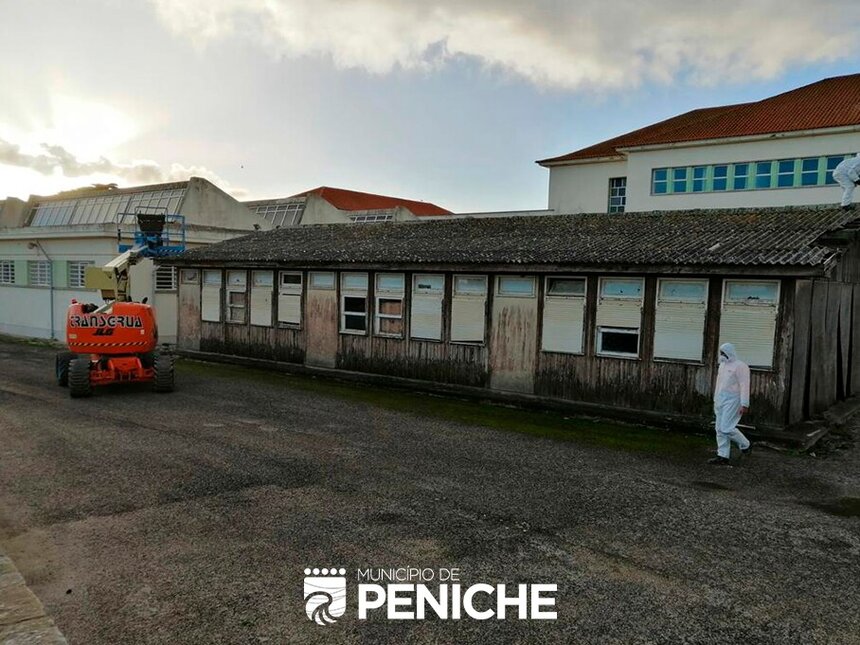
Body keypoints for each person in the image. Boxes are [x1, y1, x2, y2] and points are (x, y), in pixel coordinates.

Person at [708, 343, 752, 466]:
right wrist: (716, 400)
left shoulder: (741, 366)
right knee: (719, 429)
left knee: (726, 428)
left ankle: (745, 444)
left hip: (733, 400)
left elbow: (744, 385)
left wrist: (744, 403)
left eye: (724, 353)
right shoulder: (722, 366)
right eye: (721, 353)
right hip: (721, 400)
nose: (722, 355)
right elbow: (719, 384)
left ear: (730, 352)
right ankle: (722, 456)